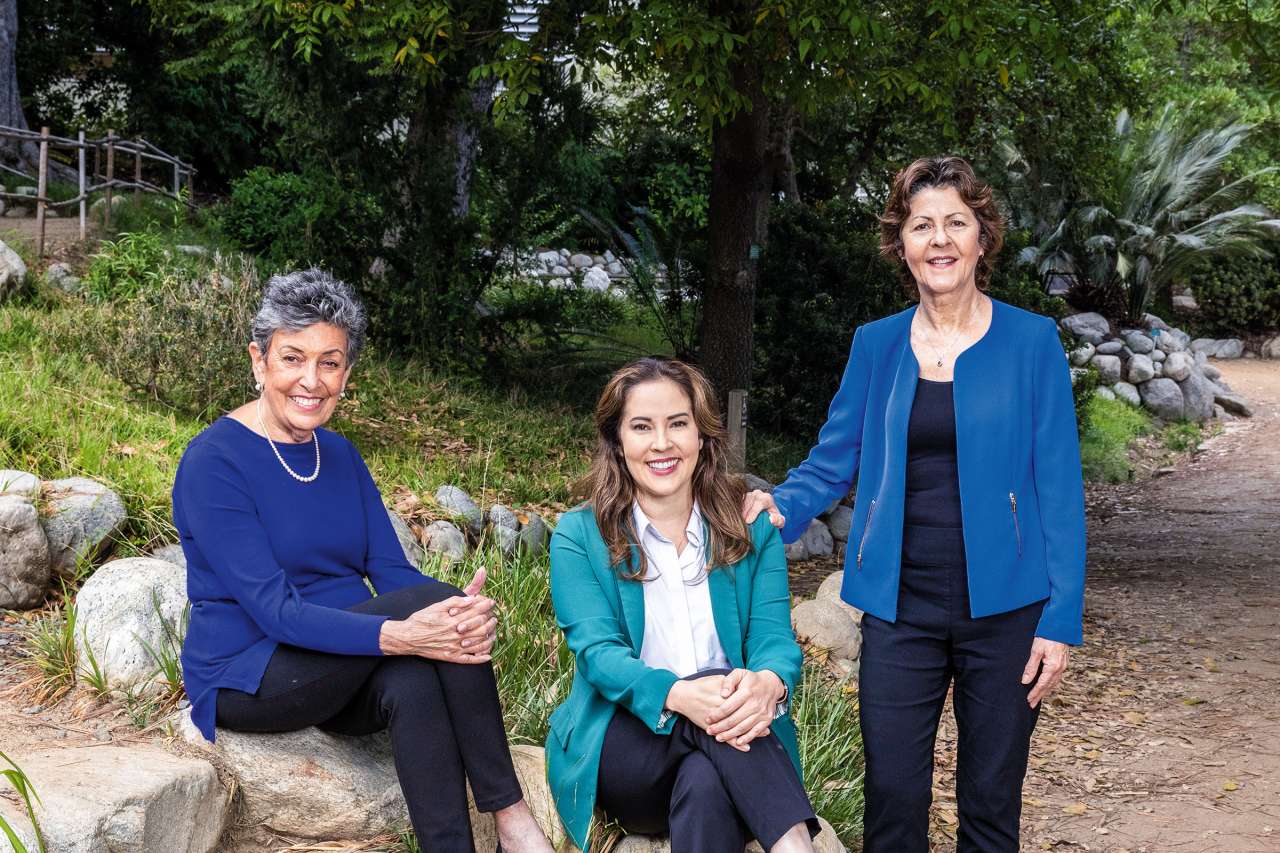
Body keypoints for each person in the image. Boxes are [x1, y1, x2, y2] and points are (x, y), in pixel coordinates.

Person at [744, 155, 1086, 852]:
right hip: (900, 606)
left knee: (990, 806)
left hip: (1009, 610)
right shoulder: (876, 346)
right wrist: (779, 507)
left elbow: (1059, 485)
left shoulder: (1031, 342)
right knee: (894, 803)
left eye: (956, 223)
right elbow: (834, 459)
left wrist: (1061, 618)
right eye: (922, 224)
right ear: (901, 243)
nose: (940, 239)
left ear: (981, 238)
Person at [174, 269, 554, 853]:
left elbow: (394, 574)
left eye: (330, 362)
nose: (311, 380)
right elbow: (275, 612)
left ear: (347, 374)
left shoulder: (341, 455)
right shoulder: (213, 463)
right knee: (428, 627)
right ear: (259, 362)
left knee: (415, 678)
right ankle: (514, 819)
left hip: (343, 656)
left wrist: (462, 609)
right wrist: (407, 629)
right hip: (248, 673)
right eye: (293, 358)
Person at [546, 358, 820, 853]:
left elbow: (773, 640)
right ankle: (795, 844)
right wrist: (677, 694)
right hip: (628, 746)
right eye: (642, 427)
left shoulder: (752, 527)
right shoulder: (579, 535)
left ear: (702, 436)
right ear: (618, 441)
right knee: (708, 701)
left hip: (731, 738)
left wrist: (768, 683)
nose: (662, 444)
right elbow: (597, 654)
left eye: (678, 424)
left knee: (705, 782)